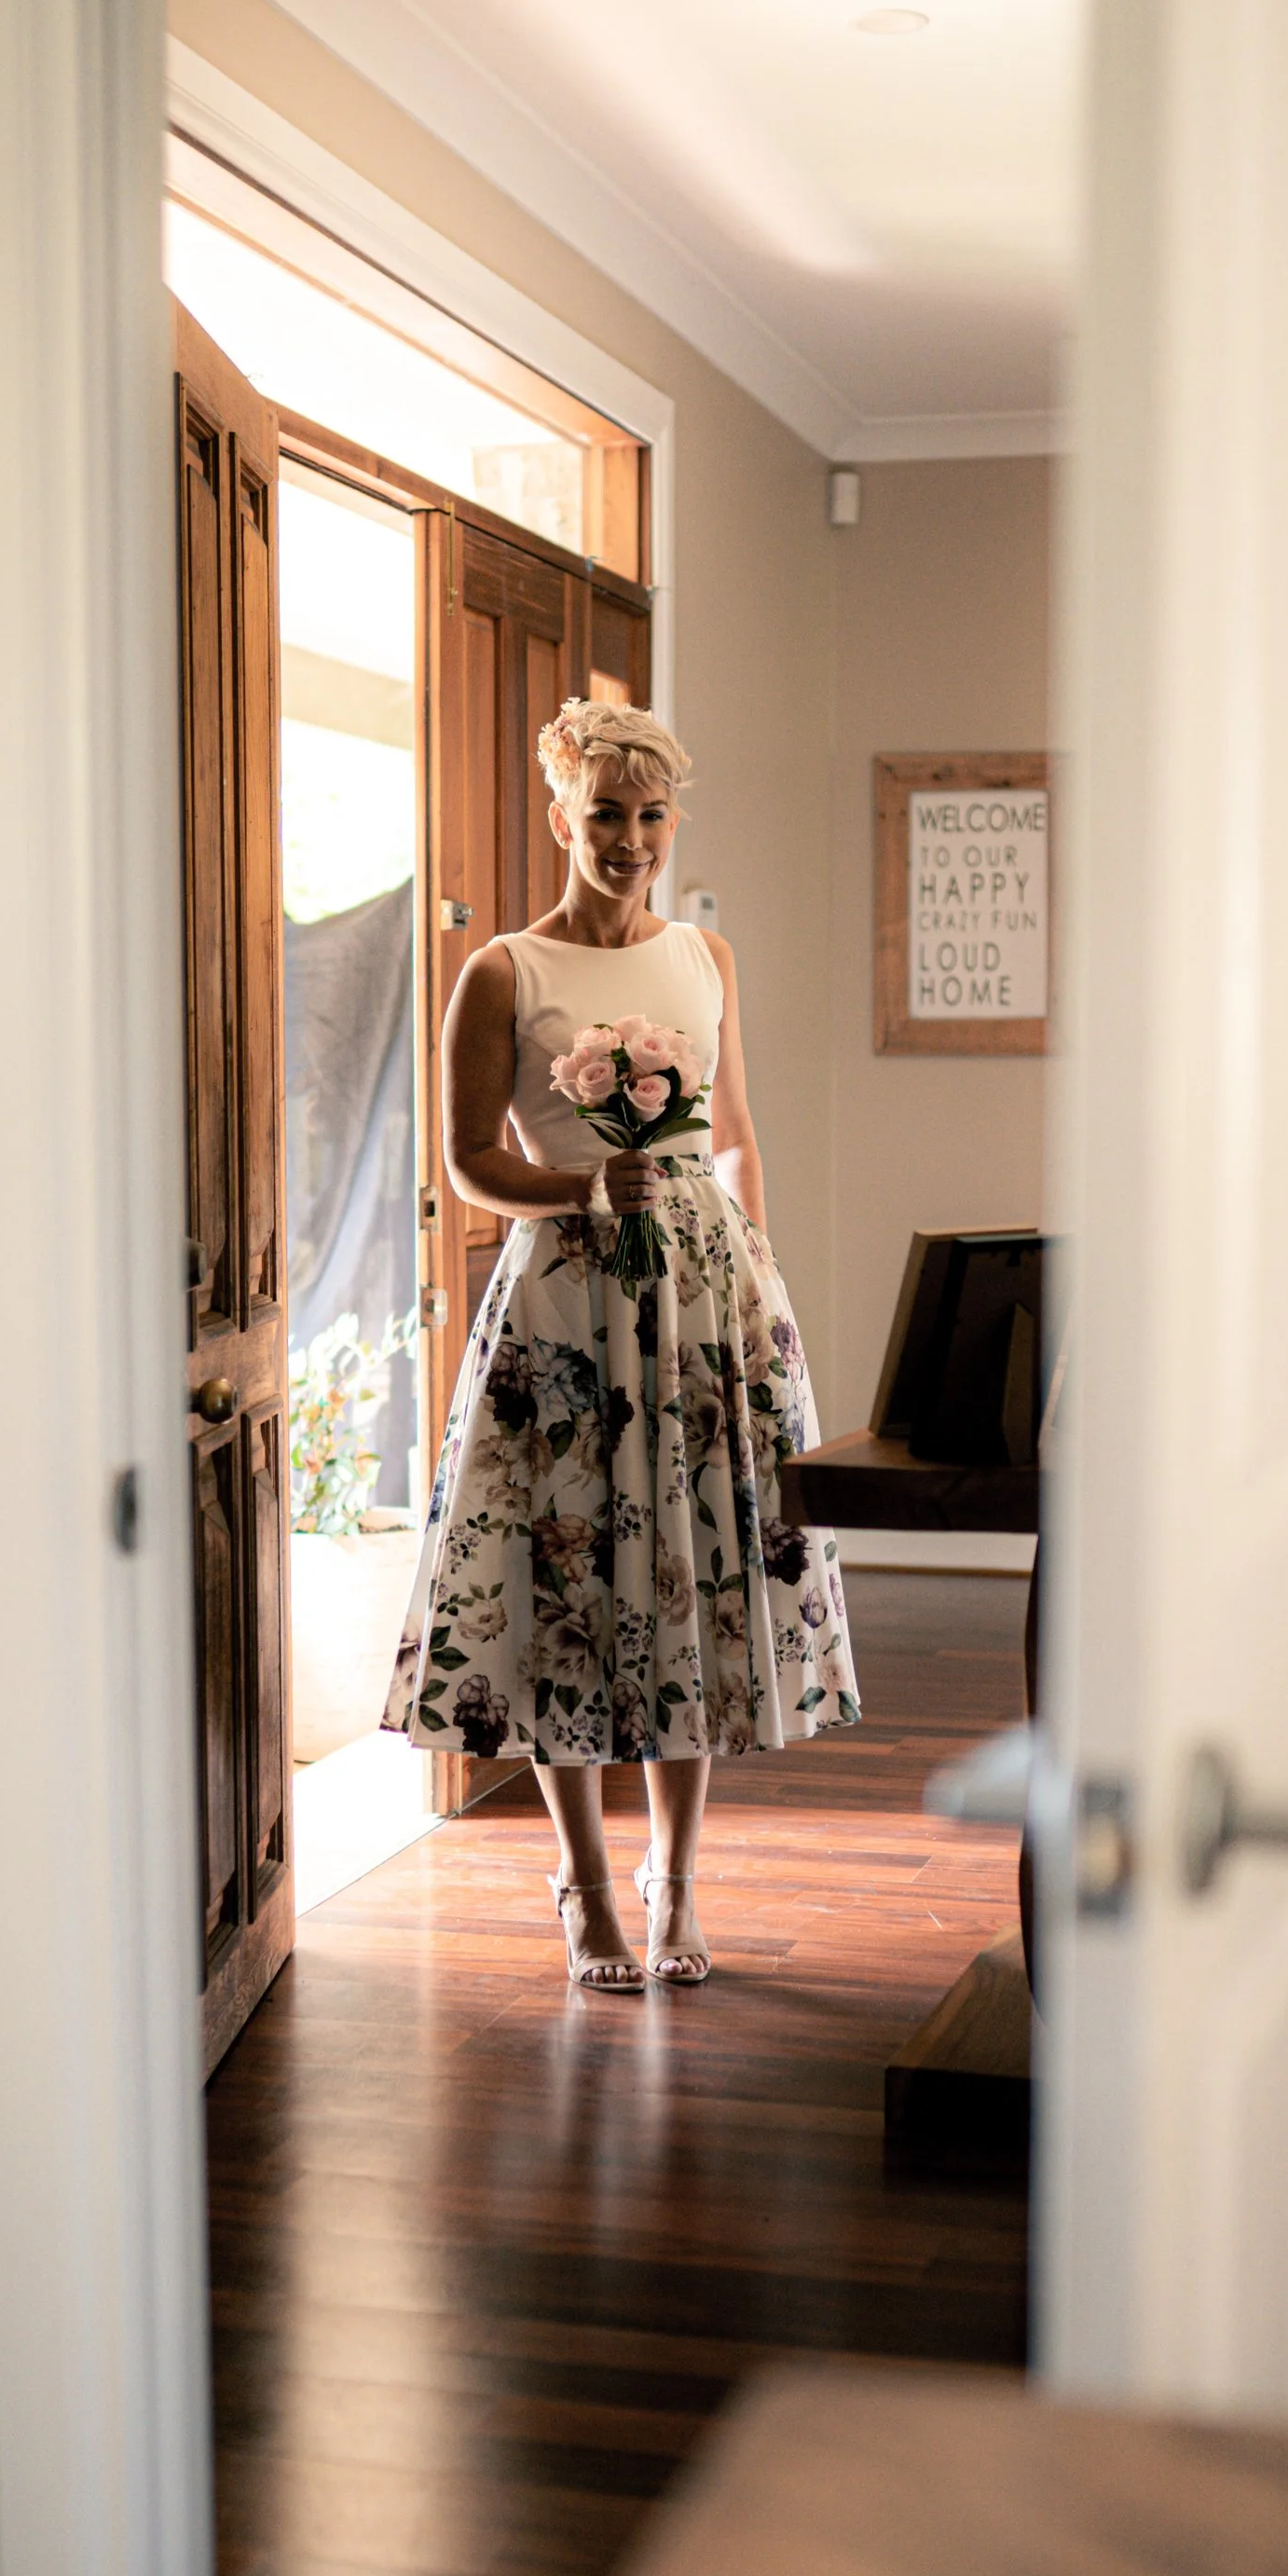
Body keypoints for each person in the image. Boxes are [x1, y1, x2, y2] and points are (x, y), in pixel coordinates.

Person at [384, 700, 859, 1991]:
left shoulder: (706, 959)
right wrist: (584, 1193)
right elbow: (469, 1161)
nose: (630, 839)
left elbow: (740, 1129)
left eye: (651, 817)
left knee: (690, 1587)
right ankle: (586, 1887)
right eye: (606, 814)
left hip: (705, 1306)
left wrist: (756, 1279)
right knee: (569, 1587)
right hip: (568, 1313)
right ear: (562, 817)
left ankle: (680, 1881)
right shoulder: (506, 973)